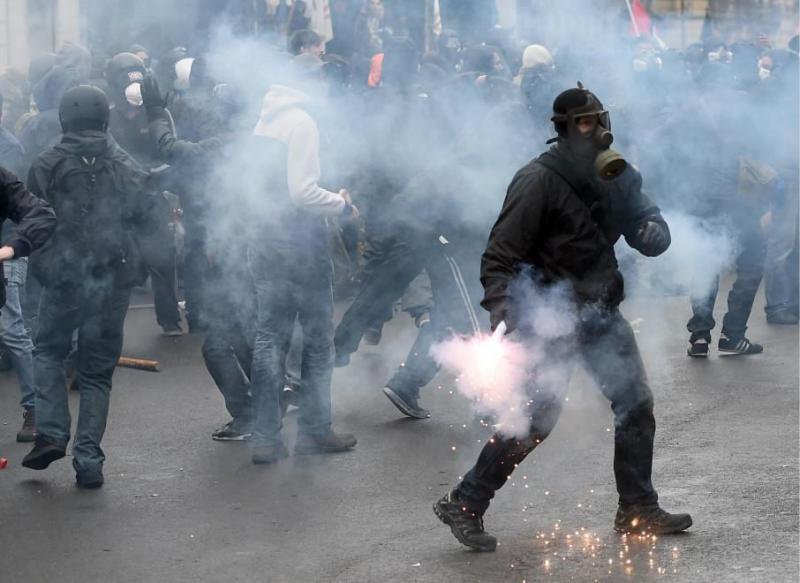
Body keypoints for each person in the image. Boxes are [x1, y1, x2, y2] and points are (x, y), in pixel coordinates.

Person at [433, 85, 692, 552]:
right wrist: (504, 311)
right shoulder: (537, 181)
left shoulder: (617, 173)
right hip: (550, 315)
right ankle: (465, 501)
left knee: (636, 405)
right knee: (535, 420)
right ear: (565, 129)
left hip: (599, 311)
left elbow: (646, 221)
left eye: (600, 119)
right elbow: (499, 255)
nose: (598, 131)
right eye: (587, 123)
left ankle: (636, 507)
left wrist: (654, 233)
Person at [22, 85, 156, 489]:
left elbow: (31, 220)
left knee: (48, 352)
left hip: (63, 278)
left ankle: (52, 432)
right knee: (96, 373)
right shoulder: (127, 165)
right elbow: (148, 221)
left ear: (65, 119)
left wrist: (41, 266)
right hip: (112, 278)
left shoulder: (46, 164)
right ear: (104, 119)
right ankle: (89, 460)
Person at [246, 54, 357, 464]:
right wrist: (341, 205)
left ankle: (263, 438)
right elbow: (302, 192)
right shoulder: (302, 123)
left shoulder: (264, 121)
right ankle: (314, 430)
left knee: (269, 339)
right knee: (317, 343)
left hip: (264, 241)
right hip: (300, 247)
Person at [105, 52, 183, 336]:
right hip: (119, 201)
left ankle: (169, 318)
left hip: (151, 197)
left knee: (162, 259)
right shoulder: (107, 118)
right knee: (116, 265)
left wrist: (157, 177)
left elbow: (171, 151)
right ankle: (109, 329)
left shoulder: (158, 113)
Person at [0, 166, 56, 443]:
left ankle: (35, 408)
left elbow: (39, 212)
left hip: (6, 257)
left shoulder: (2, 174)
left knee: (11, 330)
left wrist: (13, 247)